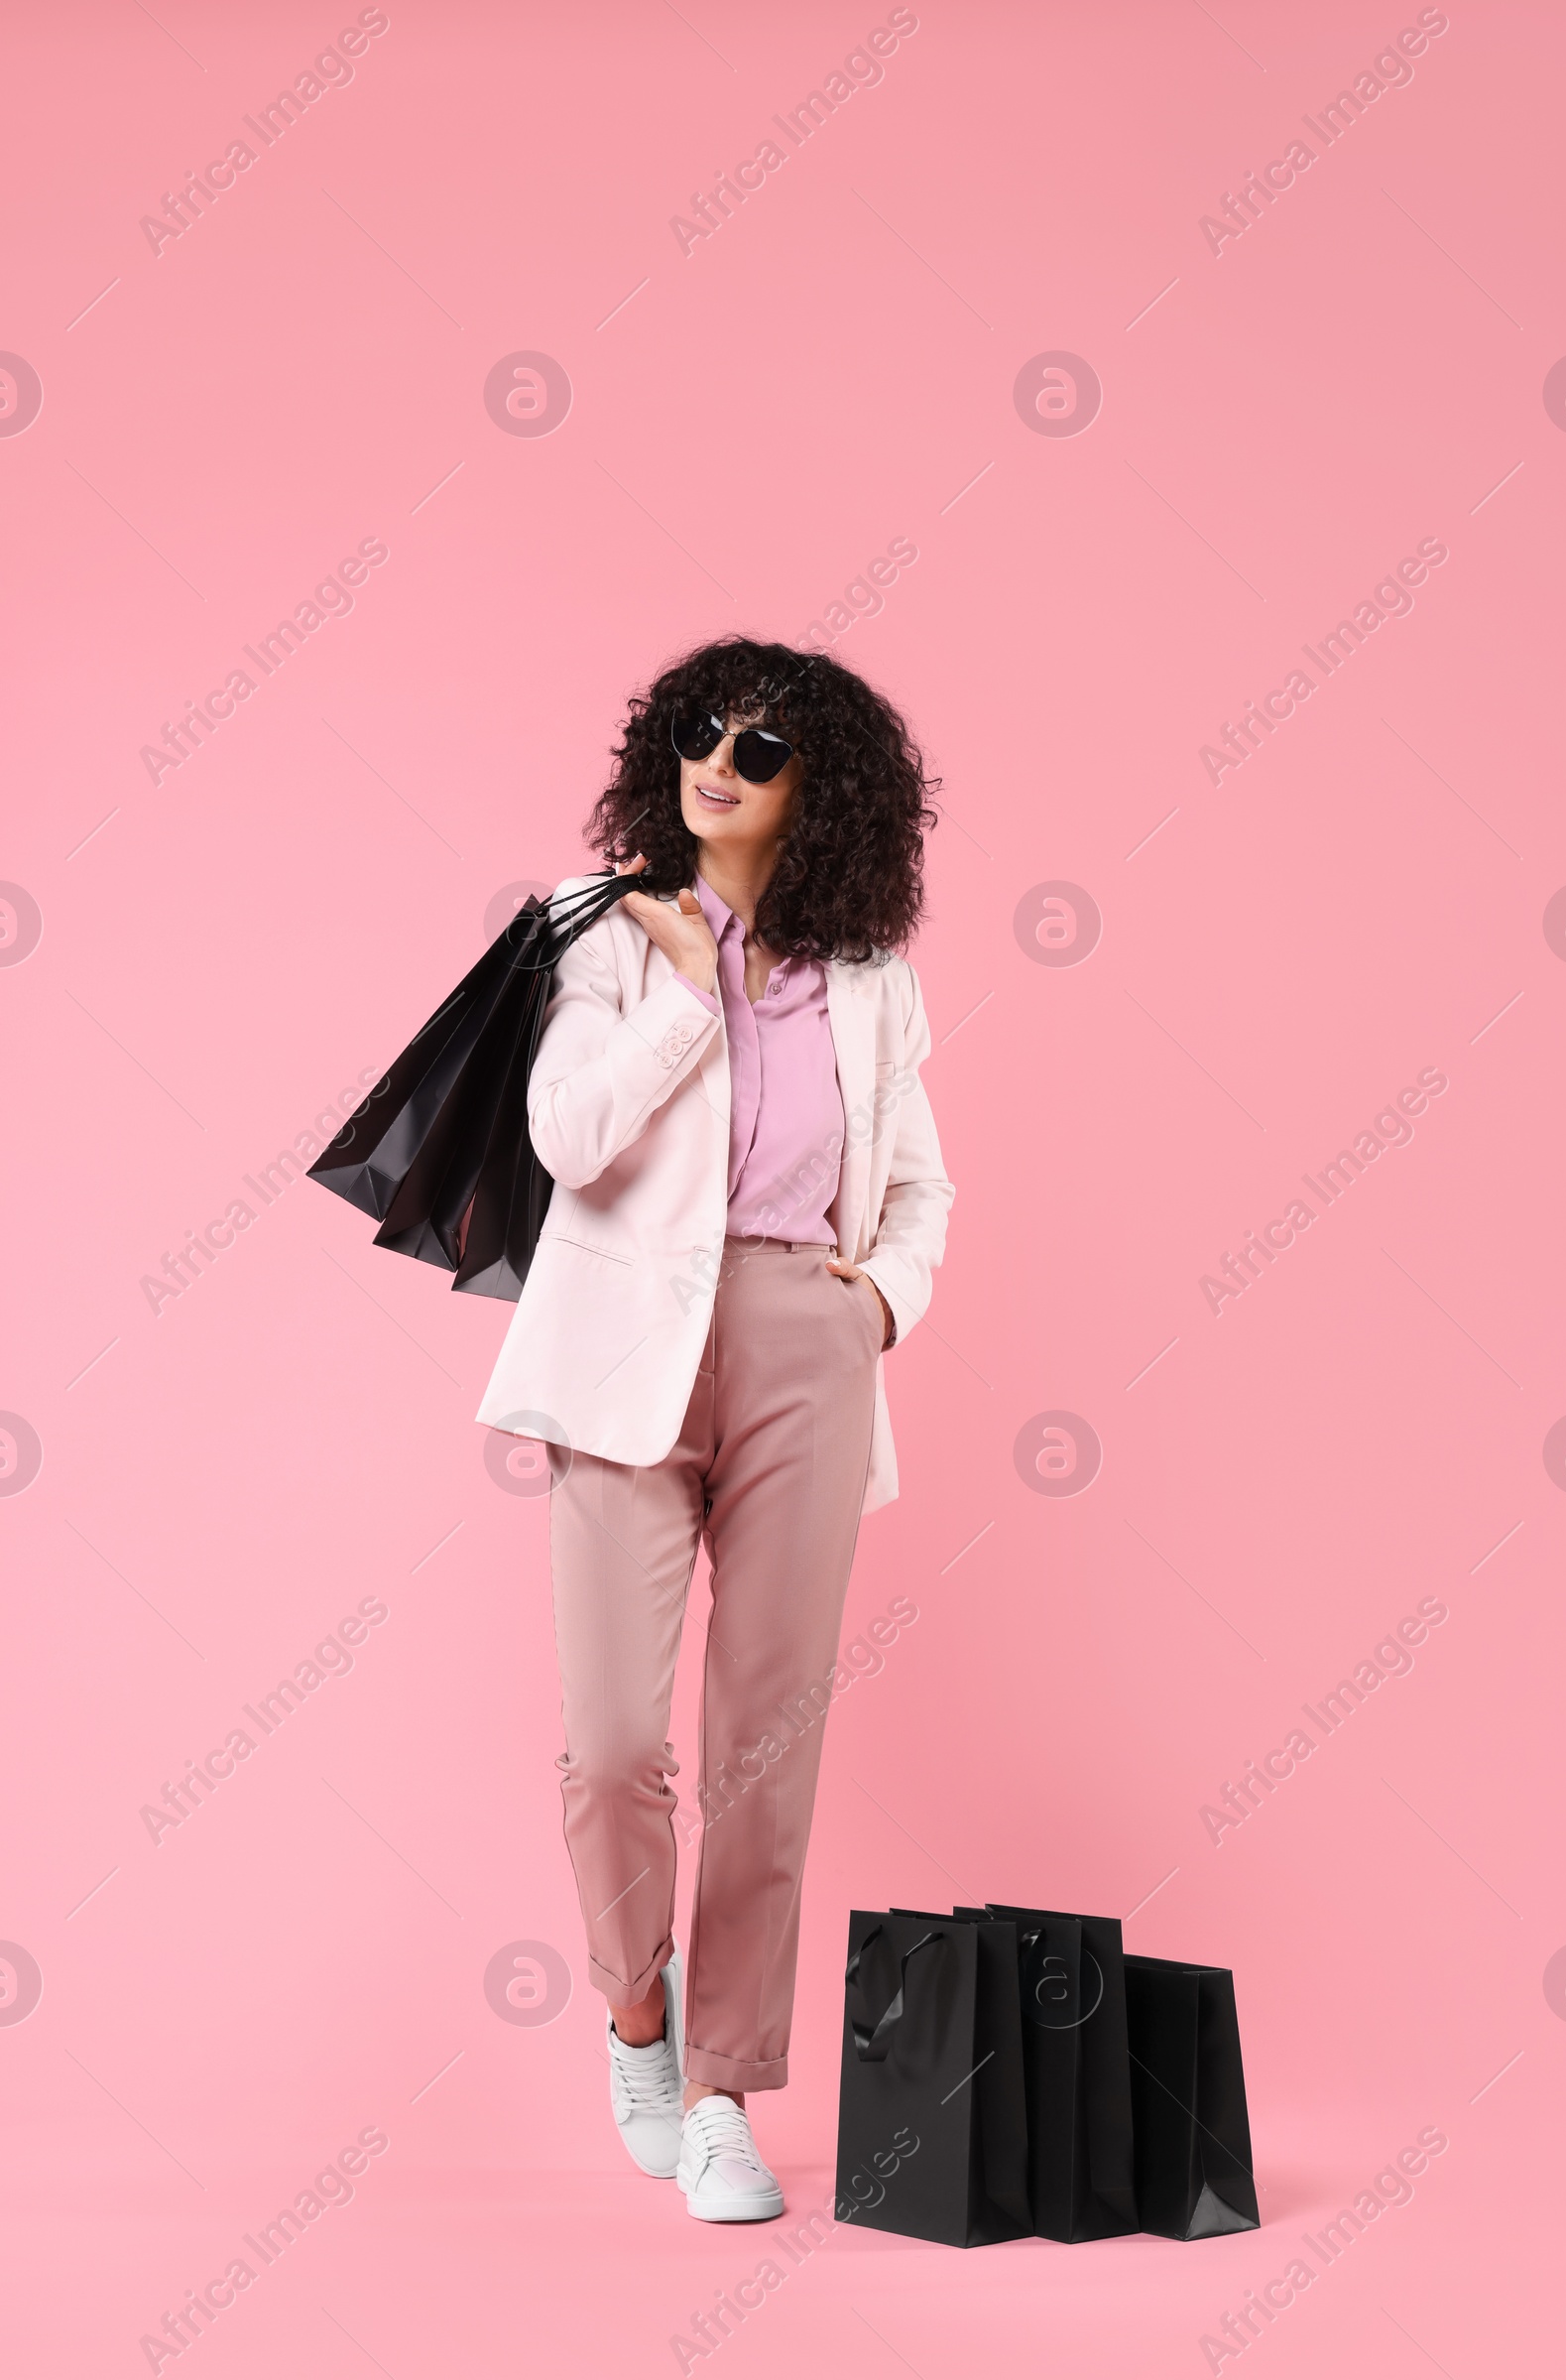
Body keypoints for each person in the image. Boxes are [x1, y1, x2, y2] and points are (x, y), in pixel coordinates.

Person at [476, 637, 953, 2220]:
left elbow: (919, 1183)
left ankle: (725, 2088)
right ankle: (636, 2013)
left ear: (820, 791)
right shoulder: (603, 935)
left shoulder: (872, 980)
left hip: (807, 1350)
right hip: (630, 1353)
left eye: (758, 749)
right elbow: (569, 1135)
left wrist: (877, 1297)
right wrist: (688, 984)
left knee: (768, 1743)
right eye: (699, 732)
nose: (719, 766)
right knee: (614, 1743)